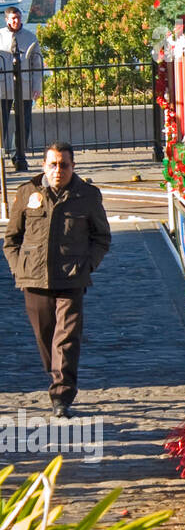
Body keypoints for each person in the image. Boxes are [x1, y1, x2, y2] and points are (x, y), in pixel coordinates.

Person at [4, 142, 111, 415]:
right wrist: (19, 268)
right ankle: (55, 375)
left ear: (73, 167)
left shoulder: (87, 196)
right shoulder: (27, 192)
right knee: (45, 336)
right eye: (52, 164)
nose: (58, 170)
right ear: (44, 166)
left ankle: (61, 395)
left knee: (66, 338)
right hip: (34, 278)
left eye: (64, 165)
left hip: (71, 279)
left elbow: (101, 237)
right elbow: (12, 238)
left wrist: (87, 266)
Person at [0, 5, 43, 169]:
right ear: (7, 20)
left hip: (24, 86)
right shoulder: (0, 35)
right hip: (3, 87)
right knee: (1, 123)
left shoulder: (31, 38)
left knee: (23, 123)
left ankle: (18, 155)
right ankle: (1, 152)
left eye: (18, 18)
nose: (16, 21)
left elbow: (37, 64)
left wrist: (36, 86)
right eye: (13, 18)